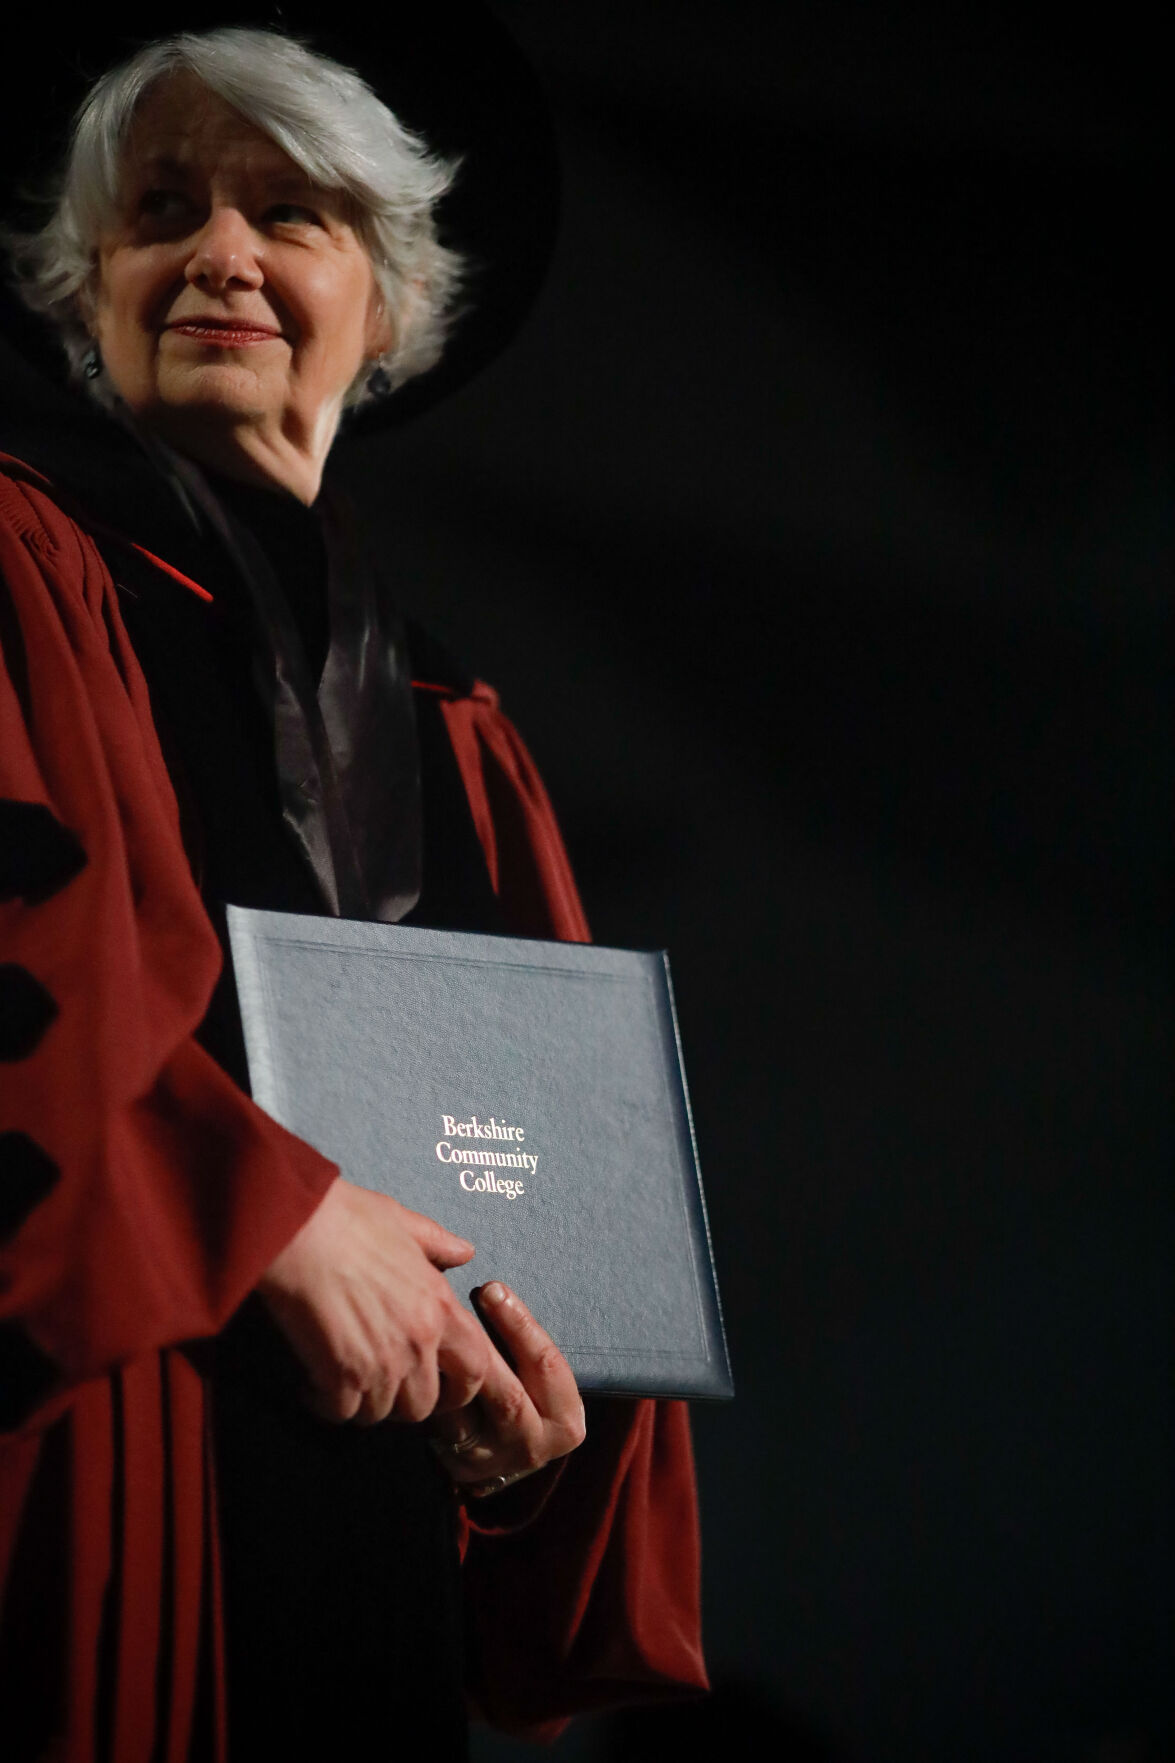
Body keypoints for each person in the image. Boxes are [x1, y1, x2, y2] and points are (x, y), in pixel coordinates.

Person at [0, 24, 705, 1762]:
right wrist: (264, 1210)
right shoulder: (25, 582)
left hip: (364, 1575)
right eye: (163, 210)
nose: (221, 255)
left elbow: (545, 1192)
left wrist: (520, 1435)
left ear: (385, 305)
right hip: (103, 1510)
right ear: (86, 290)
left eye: (291, 213)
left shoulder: (458, 733)